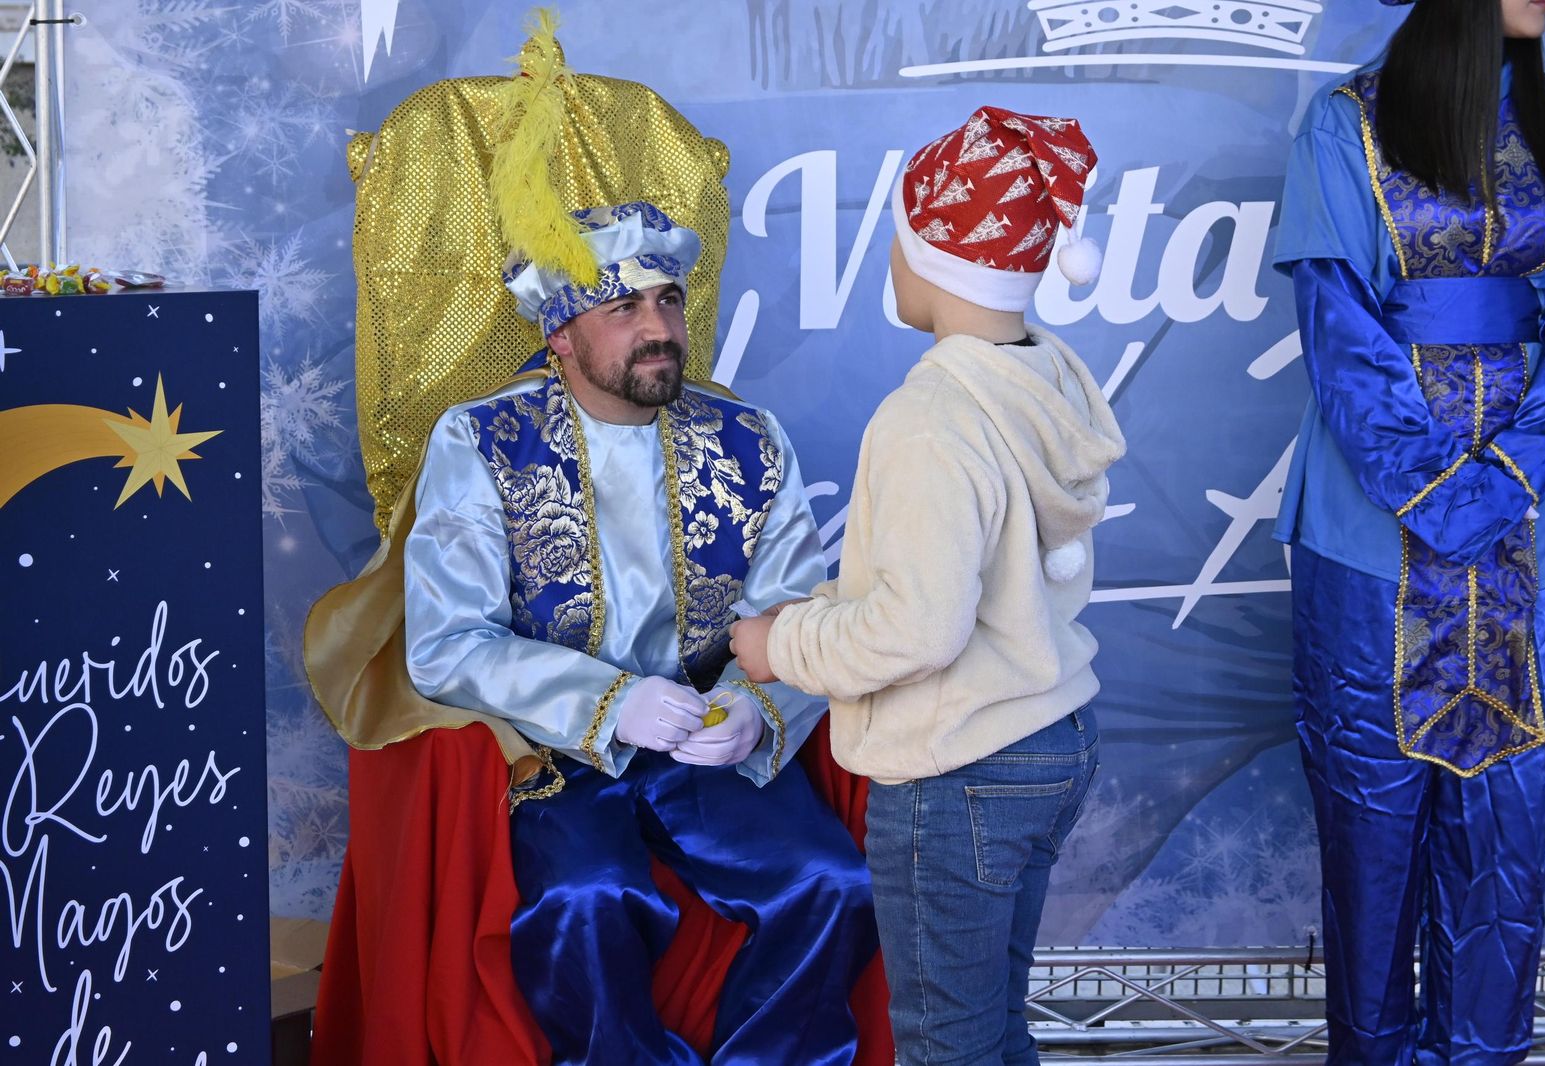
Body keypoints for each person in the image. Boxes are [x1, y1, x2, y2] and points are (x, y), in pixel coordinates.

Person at [403, 199, 877, 1065]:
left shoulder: (747, 439)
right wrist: (608, 703)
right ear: (560, 335)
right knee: (588, 898)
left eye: (667, 301)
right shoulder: (481, 441)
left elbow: (800, 614)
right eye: (623, 309)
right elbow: (446, 642)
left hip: (706, 741)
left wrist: (755, 710)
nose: (658, 328)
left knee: (832, 884)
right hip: (561, 748)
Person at [730, 107, 1125, 1066]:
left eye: (899, 241)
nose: (892, 265)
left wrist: (777, 644)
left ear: (934, 259)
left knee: (947, 1041)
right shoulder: (1048, 380)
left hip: (965, 766)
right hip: (1051, 732)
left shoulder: (929, 420)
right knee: (994, 1027)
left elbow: (918, 630)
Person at [1273, 0, 1545, 1060]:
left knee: (1502, 833)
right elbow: (1338, 320)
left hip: (1519, 522)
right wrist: (1442, 491)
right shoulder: (1345, 124)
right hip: (1368, 537)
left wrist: (1508, 474)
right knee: (1368, 838)